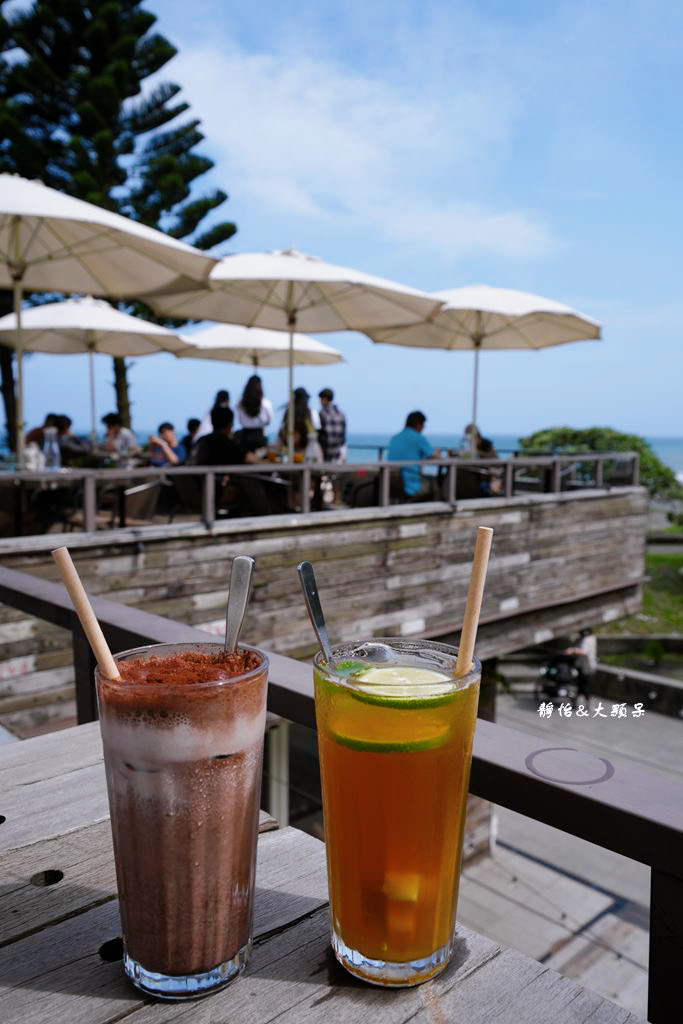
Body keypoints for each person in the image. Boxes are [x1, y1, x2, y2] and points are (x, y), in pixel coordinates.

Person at [387, 411, 437, 499]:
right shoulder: (419, 438)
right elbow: (433, 456)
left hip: (391, 482)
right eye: (423, 425)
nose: (423, 428)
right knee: (435, 485)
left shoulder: (395, 438)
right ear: (419, 425)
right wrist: (438, 453)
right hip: (410, 484)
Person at [194, 406, 259, 467]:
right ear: (230, 424)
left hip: (200, 477)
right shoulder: (225, 443)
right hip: (216, 478)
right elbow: (251, 459)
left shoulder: (201, 440)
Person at [278, 387, 322, 460]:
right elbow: (316, 430)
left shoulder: (288, 412)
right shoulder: (310, 413)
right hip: (307, 450)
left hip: (289, 449)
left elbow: (282, 430)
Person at [236, 376, 274, 452]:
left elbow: (240, 420)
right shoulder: (265, 403)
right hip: (260, 437)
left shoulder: (240, 403)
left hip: (244, 438)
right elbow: (269, 421)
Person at [565, 627, 597, 707]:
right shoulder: (590, 638)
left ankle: (586, 702)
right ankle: (578, 702)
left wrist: (572, 650)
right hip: (583, 665)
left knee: (584, 685)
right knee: (581, 685)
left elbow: (584, 651)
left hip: (587, 666)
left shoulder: (588, 639)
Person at [318, 388, 347, 463]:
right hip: (338, 452)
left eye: (321, 399)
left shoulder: (322, 414)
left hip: (326, 452)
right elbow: (343, 435)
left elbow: (320, 434)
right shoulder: (341, 413)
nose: (320, 402)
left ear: (325, 399)